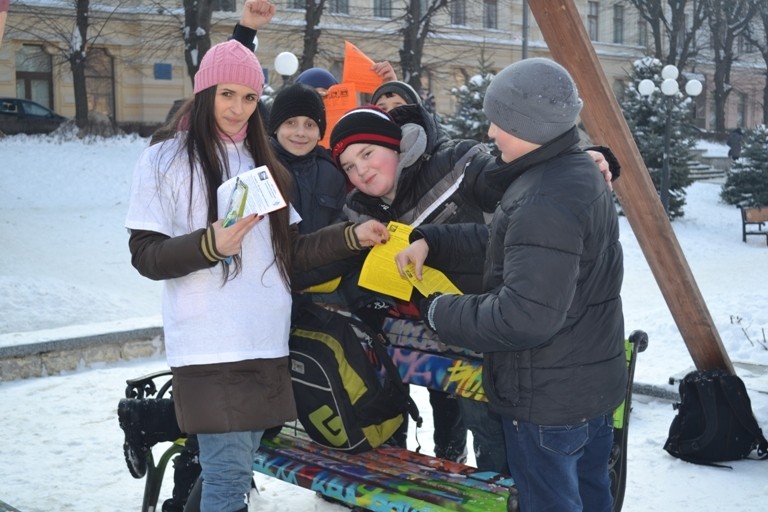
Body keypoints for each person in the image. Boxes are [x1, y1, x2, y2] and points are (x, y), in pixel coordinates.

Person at [125, 39, 388, 512]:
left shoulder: (261, 163)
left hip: (267, 342)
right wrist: (210, 245)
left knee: (232, 471)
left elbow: (290, 254)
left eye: (249, 98)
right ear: (205, 92)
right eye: (228, 94)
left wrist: (352, 236)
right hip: (212, 346)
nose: (238, 108)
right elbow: (145, 255)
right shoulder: (164, 160)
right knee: (228, 479)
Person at [394, 58, 626, 511]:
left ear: (531, 125)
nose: (492, 134)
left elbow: (523, 315)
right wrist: (432, 241)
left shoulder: (545, 196)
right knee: (592, 496)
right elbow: (513, 246)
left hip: (548, 402)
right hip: (585, 389)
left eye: (501, 123)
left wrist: (441, 310)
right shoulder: (567, 173)